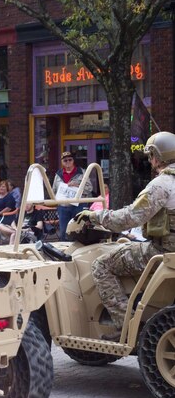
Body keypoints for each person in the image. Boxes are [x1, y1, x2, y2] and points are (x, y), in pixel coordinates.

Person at [74, 132, 175, 337]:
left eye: (150, 155)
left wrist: (95, 216)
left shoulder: (162, 184)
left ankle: (125, 326)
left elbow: (129, 218)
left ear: (158, 155)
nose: (149, 160)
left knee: (101, 265)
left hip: (164, 250)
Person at [53, 150, 93, 240]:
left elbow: (89, 188)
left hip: (78, 205)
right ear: (62, 162)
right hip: (63, 206)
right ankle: (64, 252)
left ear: (73, 160)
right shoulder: (58, 174)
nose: (68, 162)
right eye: (65, 160)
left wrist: (78, 185)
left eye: (70, 160)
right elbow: (54, 190)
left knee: (78, 230)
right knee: (63, 231)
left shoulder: (82, 172)